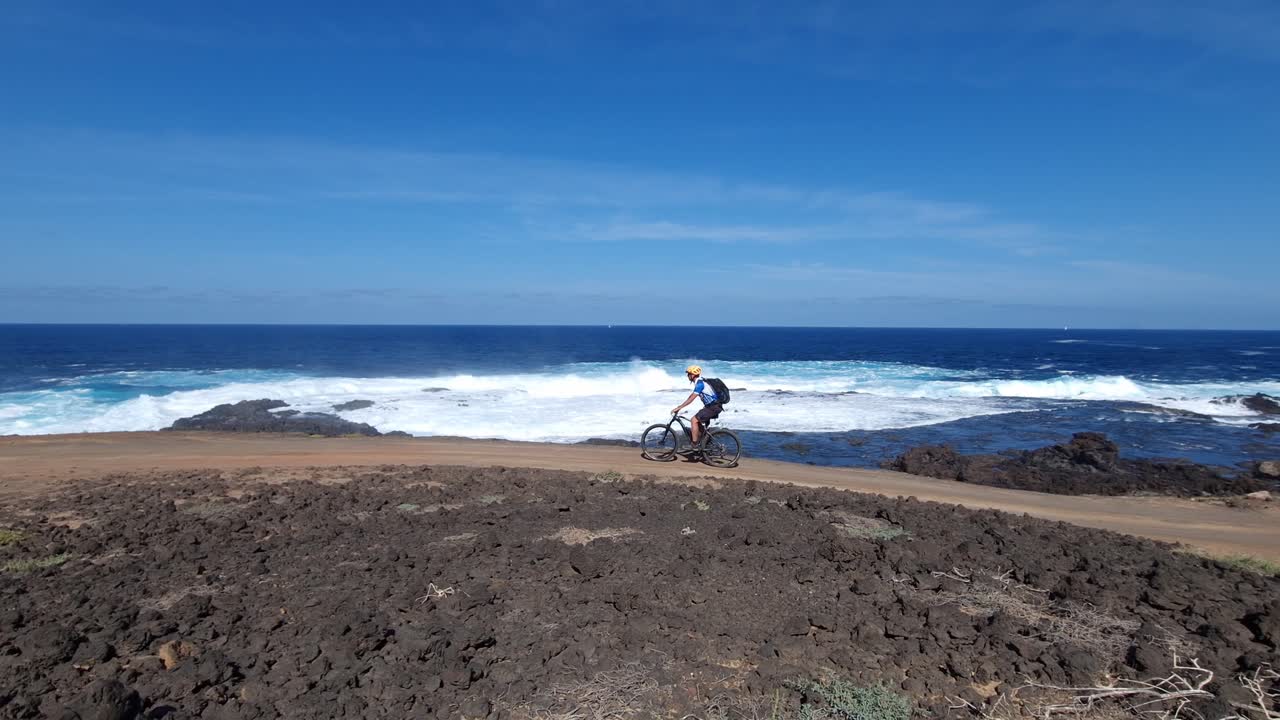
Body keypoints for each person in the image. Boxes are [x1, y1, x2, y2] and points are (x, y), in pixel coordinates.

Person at [671, 364, 721, 451]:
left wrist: (679, 408)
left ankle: (694, 444)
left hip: (713, 407)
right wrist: (680, 406)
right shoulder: (700, 381)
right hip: (712, 406)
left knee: (693, 420)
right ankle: (705, 441)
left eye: (689, 374)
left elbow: (691, 399)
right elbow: (691, 395)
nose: (687, 376)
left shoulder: (700, 384)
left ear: (693, 375)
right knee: (698, 423)